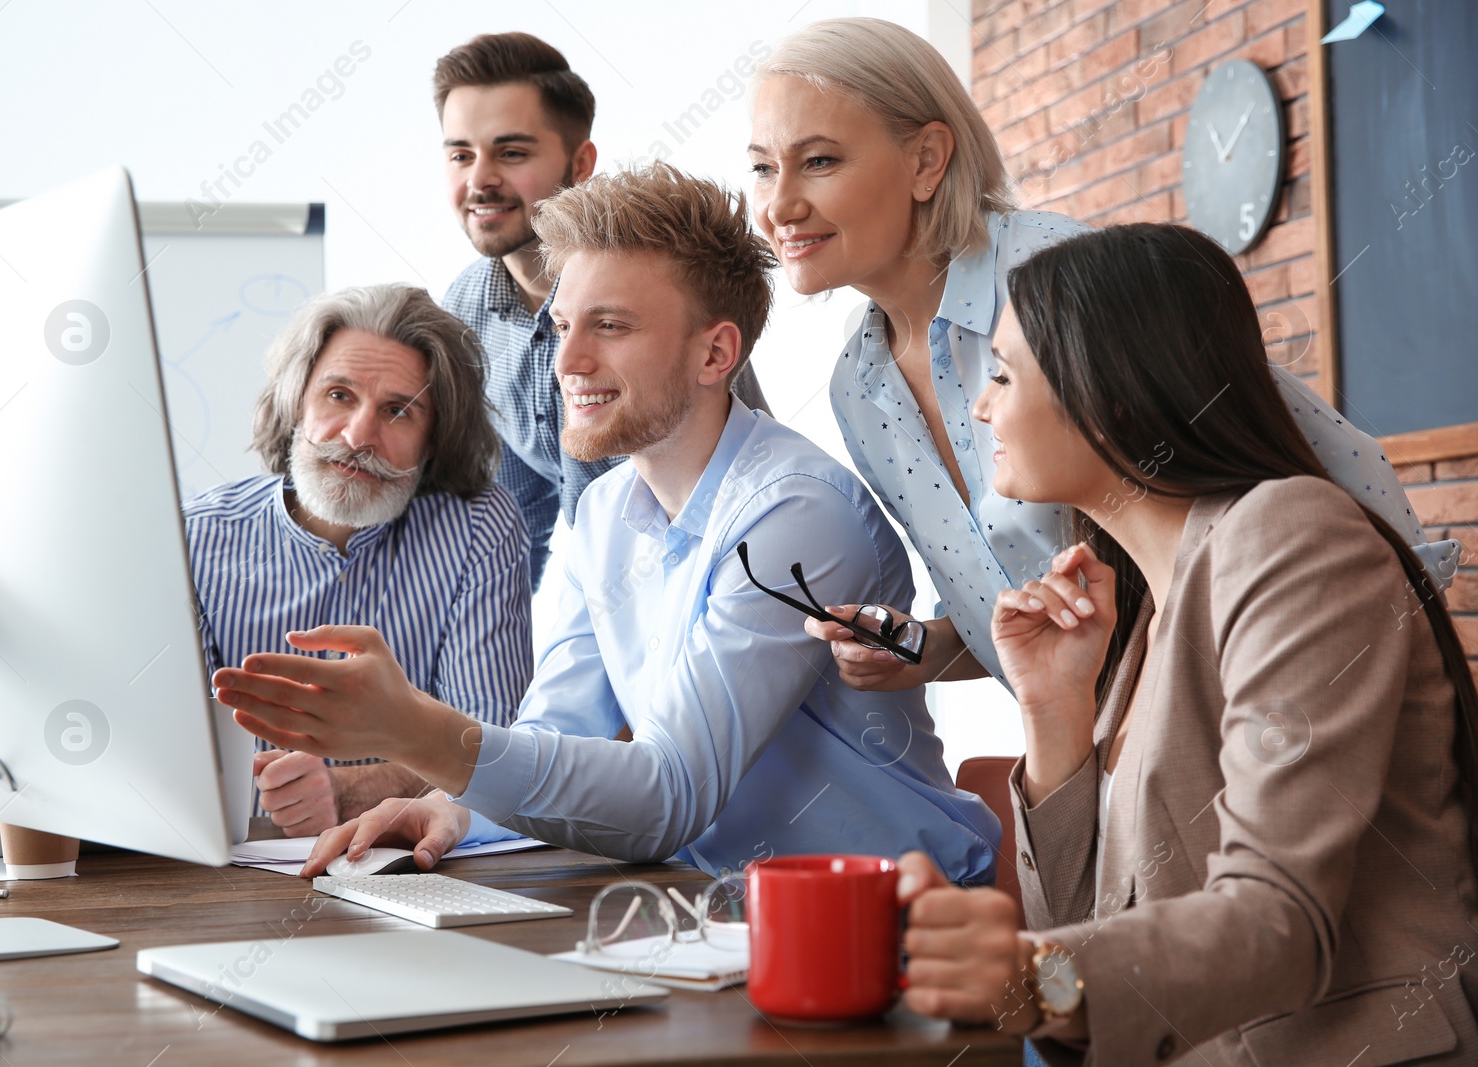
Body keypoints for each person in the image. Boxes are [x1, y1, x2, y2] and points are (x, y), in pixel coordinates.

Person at [212, 164, 1000, 882]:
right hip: (713, 910)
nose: (567, 363)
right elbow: (561, 727)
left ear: (715, 353)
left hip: (901, 924)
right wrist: (458, 810)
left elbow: (670, 793)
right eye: (562, 327)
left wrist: (414, 729)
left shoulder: (798, 511)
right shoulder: (604, 511)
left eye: (611, 327)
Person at [894, 223, 1478, 1062]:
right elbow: (1091, 939)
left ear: (1114, 392)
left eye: (1000, 373)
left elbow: (1279, 923)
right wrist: (1055, 715)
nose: (981, 405)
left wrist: (1027, 977)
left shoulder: (1292, 537)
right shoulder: (1141, 620)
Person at [746, 17, 1460, 692]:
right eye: (760, 168)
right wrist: (924, 648)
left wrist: (1401, 664)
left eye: (818, 161)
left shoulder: (1054, 274)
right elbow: (1018, 599)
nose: (779, 205)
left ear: (927, 159)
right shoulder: (858, 388)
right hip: (1102, 753)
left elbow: (1297, 447)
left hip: (1236, 710)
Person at [184, 284, 532, 837]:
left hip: (412, 867)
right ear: (297, 401)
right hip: (223, 871)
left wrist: (348, 791)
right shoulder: (195, 538)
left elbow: (491, 750)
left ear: (434, 441)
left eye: (398, 411)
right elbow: (174, 759)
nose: (358, 436)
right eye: (339, 395)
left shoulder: (478, 529)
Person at [436, 32, 771, 589]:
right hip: (603, 595)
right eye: (460, 155)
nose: (480, 179)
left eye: (511, 152)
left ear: (581, 162)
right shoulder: (467, 309)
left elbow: (742, 476)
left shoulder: (653, 289)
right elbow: (518, 513)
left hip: (719, 577)